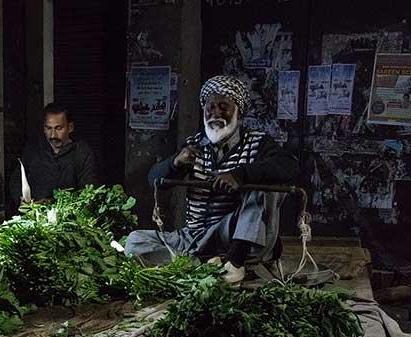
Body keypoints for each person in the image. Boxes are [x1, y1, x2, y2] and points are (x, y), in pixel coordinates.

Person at [124, 75, 299, 283]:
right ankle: (198, 264)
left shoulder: (257, 142)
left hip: (230, 234)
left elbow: (289, 166)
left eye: (224, 107)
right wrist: (175, 163)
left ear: (239, 111)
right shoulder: (195, 143)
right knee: (134, 242)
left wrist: (240, 175)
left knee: (260, 189)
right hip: (194, 236)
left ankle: (234, 263)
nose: (216, 113)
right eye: (211, 107)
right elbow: (154, 179)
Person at [10, 102, 97, 207]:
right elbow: (16, 180)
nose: (53, 135)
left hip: (68, 218)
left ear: (70, 127)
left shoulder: (82, 152)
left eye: (58, 128)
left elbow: (89, 191)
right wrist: (21, 199)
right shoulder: (34, 149)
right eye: (48, 128)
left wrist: (52, 203)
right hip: (34, 217)